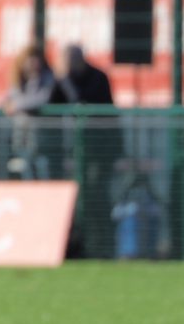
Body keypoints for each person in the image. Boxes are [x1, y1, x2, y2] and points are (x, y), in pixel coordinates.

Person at [54, 44, 122, 257]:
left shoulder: (97, 78)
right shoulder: (65, 79)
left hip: (101, 150)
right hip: (78, 151)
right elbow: (53, 101)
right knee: (78, 196)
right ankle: (79, 244)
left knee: (96, 194)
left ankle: (104, 245)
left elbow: (86, 103)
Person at [4, 43, 59, 180]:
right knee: (23, 164)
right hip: (21, 134)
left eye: (35, 58)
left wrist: (17, 106)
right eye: (29, 58)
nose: (32, 62)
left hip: (41, 137)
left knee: (40, 164)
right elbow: (8, 100)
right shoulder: (19, 79)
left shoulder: (48, 78)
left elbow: (41, 99)